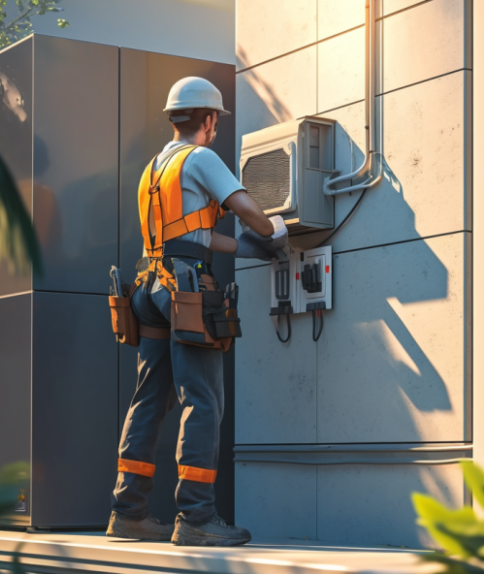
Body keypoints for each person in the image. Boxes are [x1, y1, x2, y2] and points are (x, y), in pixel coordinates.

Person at [106, 77, 285, 546]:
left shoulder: (154, 167)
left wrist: (250, 251)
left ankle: (128, 513)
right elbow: (245, 209)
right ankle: (197, 519)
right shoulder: (201, 157)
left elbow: (194, 235)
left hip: (149, 287)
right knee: (202, 400)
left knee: (149, 400)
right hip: (185, 289)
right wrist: (273, 230)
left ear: (173, 117)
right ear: (207, 120)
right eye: (216, 122)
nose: (215, 129)